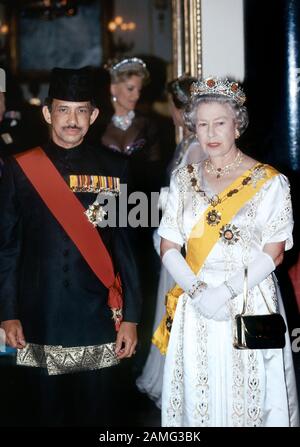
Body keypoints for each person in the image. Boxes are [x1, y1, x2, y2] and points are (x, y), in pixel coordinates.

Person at [153, 77, 299, 426]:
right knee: (199, 397)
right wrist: (200, 292)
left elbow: (274, 252)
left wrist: (226, 292)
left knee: (252, 400)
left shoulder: (269, 181)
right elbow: (168, 244)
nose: (210, 132)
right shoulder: (183, 178)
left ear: (238, 125)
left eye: (220, 122)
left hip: (249, 296)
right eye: (202, 124)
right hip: (197, 299)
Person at [0, 67, 141, 427]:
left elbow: (126, 249)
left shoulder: (118, 169)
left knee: (98, 414)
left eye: (81, 111)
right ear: (47, 113)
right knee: (42, 414)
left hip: (97, 317)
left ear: (94, 116)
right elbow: (8, 247)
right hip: (37, 317)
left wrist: (133, 318)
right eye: (63, 109)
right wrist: (7, 311)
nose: (72, 120)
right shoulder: (19, 168)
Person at [136, 75, 206, 407]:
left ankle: (183, 385)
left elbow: (195, 202)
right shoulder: (187, 143)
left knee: (177, 307)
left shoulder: (195, 147)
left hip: (187, 241)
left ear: (181, 110)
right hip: (174, 232)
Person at [88, 57, 162, 193]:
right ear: (113, 88)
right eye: (130, 89)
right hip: (106, 203)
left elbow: (155, 172)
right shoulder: (97, 125)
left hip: (141, 204)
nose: (136, 96)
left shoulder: (147, 124)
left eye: (139, 90)